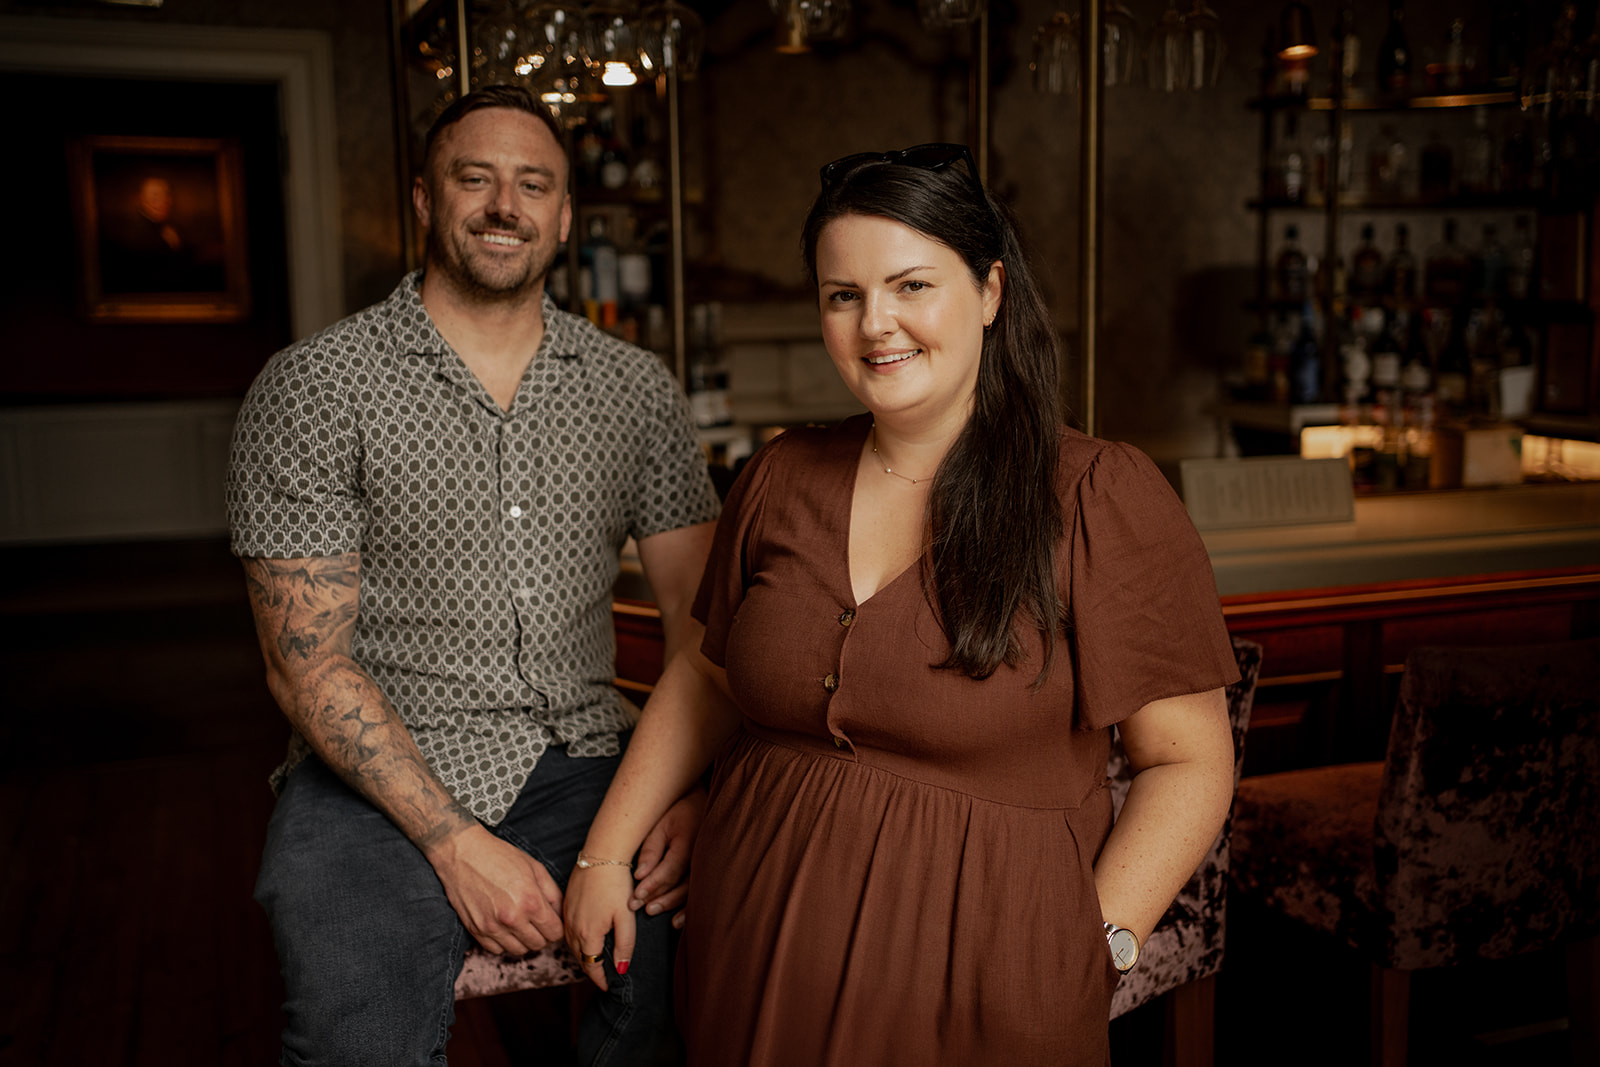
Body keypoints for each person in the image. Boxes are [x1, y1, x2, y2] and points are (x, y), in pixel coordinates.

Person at [563, 143, 1240, 1066]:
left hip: (992, 989)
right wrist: (605, 854)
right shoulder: (779, 474)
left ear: (990, 291)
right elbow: (706, 676)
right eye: (843, 295)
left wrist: (1097, 944)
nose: (875, 323)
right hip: (752, 960)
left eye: (911, 285)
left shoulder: (1097, 494)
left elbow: (1190, 760)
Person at [226, 84, 718, 1066]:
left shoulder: (635, 389)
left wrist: (686, 790)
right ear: (425, 198)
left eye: (533, 184)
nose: (505, 205)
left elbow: (698, 619)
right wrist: (454, 842)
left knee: (700, 979)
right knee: (357, 1037)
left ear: (565, 215)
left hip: (594, 757)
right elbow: (305, 663)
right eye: (475, 178)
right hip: (375, 775)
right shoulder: (316, 385)